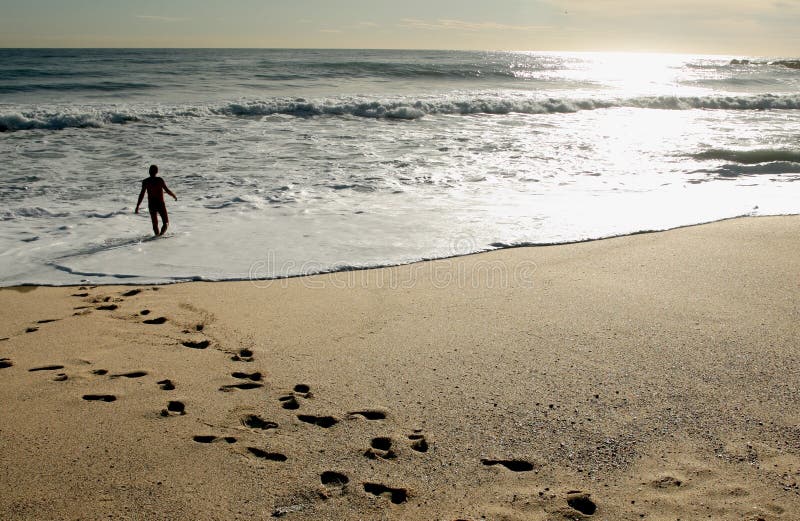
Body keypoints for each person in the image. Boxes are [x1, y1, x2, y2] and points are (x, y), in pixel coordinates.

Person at [135, 165, 177, 236]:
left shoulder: (145, 181)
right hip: (160, 203)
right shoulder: (159, 180)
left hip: (151, 204)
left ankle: (157, 237)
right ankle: (160, 236)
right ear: (157, 172)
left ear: (149, 172)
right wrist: (174, 196)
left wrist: (137, 206)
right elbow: (167, 190)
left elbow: (141, 194)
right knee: (166, 222)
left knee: (155, 223)